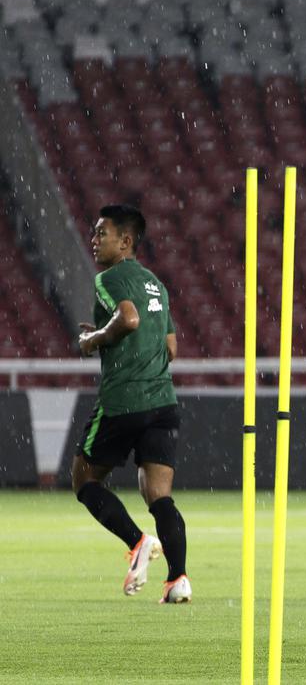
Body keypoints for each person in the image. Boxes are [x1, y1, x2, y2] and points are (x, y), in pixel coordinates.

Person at [73, 204, 190, 604]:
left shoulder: (109, 277)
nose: (94, 239)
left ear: (125, 241)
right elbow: (170, 348)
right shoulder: (157, 284)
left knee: (84, 478)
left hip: (125, 400)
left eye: (100, 233)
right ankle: (178, 580)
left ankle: (138, 542)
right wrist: (111, 334)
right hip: (163, 403)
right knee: (159, 496)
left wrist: (93, 340)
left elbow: (128, 319)